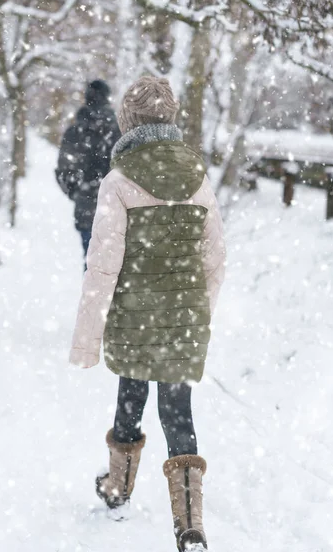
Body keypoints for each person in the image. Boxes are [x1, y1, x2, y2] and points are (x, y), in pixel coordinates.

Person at [70, 76, 226, 551]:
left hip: (133, 321)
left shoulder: (118, 182)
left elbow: (102, 268)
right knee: (177, 412)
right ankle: (190, 524)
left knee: (131, 395)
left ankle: (118, 488)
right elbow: (214, 258)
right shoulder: (197, 176)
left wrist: (86, 341)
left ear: (128, 121)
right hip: (182, 321)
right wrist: (197, 313)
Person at [55, 79, 120, 267]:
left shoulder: (75, 132)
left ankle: (93, 295)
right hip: (116, 208)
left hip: (86, 208)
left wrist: (78, 193)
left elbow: (64, 171)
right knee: (114, 266)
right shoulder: (119, 131)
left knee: (91, 263)